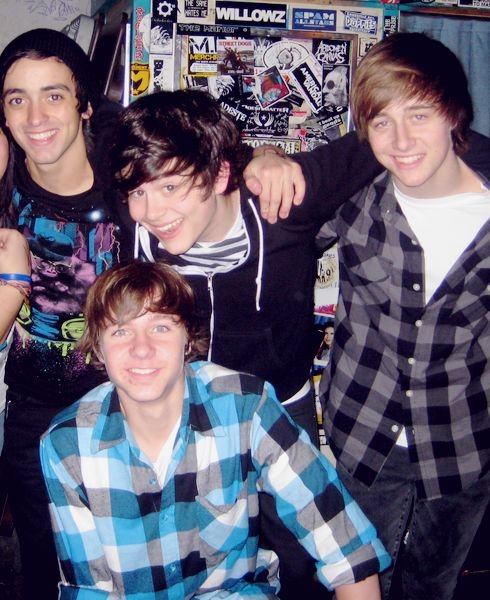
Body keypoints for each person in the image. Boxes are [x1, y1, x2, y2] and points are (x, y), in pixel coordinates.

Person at [109, 90, 399, 597]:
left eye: (172, 186)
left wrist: (267, 156)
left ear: (221, 174)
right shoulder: (132, 217)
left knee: (300, 555)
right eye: (139, 192)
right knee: (183, 560)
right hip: (180, 417)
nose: (151, 211)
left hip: (281, 407)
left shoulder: (283, 202)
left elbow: (390, 135)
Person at [40, 260, 390, 599]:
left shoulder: (245, 407)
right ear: (99, 348)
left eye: (161, 327)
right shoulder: (68, 444)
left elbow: (347, 550)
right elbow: (91, 590)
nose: (141, 349)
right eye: (121, 331)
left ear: (187, 340)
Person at [303, 33, 489, 600]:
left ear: (454, 113)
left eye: (419, 115)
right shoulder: (353, 199)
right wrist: (265, 162)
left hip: (463, 444)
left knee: (433, 585)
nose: (402, 141)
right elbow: (266, 235)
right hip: (363, 436)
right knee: (356, 584)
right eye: (382, 122)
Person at [0, 28, 124, 599]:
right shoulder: (3, 185)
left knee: (123, 571)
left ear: (84, 104)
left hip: (125, 409)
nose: (35, 117)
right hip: (33, 413)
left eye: (53, 94)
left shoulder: (129, 179)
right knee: (43, 573)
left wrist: (267, 158)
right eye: (17, 99)